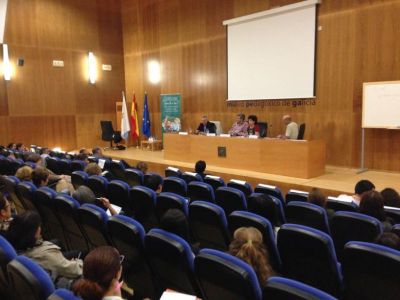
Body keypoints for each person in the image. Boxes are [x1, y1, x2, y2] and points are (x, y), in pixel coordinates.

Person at [6, 211, 83, 286]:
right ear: (34, 233)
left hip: (44, 260)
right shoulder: (47, 255)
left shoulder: (12, 244)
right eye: (38, 226)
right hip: (60, 274)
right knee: (83, 252)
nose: (40, 228)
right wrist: (78, 262)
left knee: (57, 241)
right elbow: (76, 271)